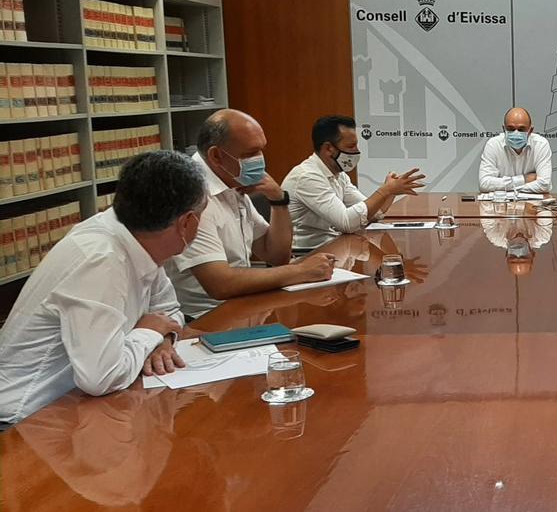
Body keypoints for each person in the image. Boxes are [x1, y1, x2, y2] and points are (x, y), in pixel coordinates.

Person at [0, 151, 206, 425]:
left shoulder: (138, 237)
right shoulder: (100, 260)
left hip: (78, 407)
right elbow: (101, 377)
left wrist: (162, 342)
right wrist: (149, 332)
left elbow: (168, 312)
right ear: (188, 222)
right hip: (25, 419)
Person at [165, 109, 336, 319]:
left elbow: (275, 255)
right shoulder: (192, 195)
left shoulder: (232, 182)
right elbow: (221, 285)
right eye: (250, 154)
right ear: (216, 155)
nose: (260, 160)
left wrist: (278, 200)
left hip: (245, 307)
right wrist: (302, 271)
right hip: (205, 321)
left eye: (261, 150)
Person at [282, 115, 427, 249]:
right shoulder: (307, 177)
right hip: (306, 257)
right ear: (328, 148)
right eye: (351, 146)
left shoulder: (339, 175)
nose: (357, 152)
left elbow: (373, 214)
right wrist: (386, 190)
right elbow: (346, 223)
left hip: (334, 249)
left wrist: (391, 191)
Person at [478, 107, 552, 193]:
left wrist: (508, 188)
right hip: (501, 204)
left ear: (530, 130)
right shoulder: (493, 144)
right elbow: (484, 184)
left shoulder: (541, 144)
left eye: (521, 129)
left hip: (532, 205)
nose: (516, 133)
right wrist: (523, 179)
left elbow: (545, 185)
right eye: (511, 129)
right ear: (504, 129)